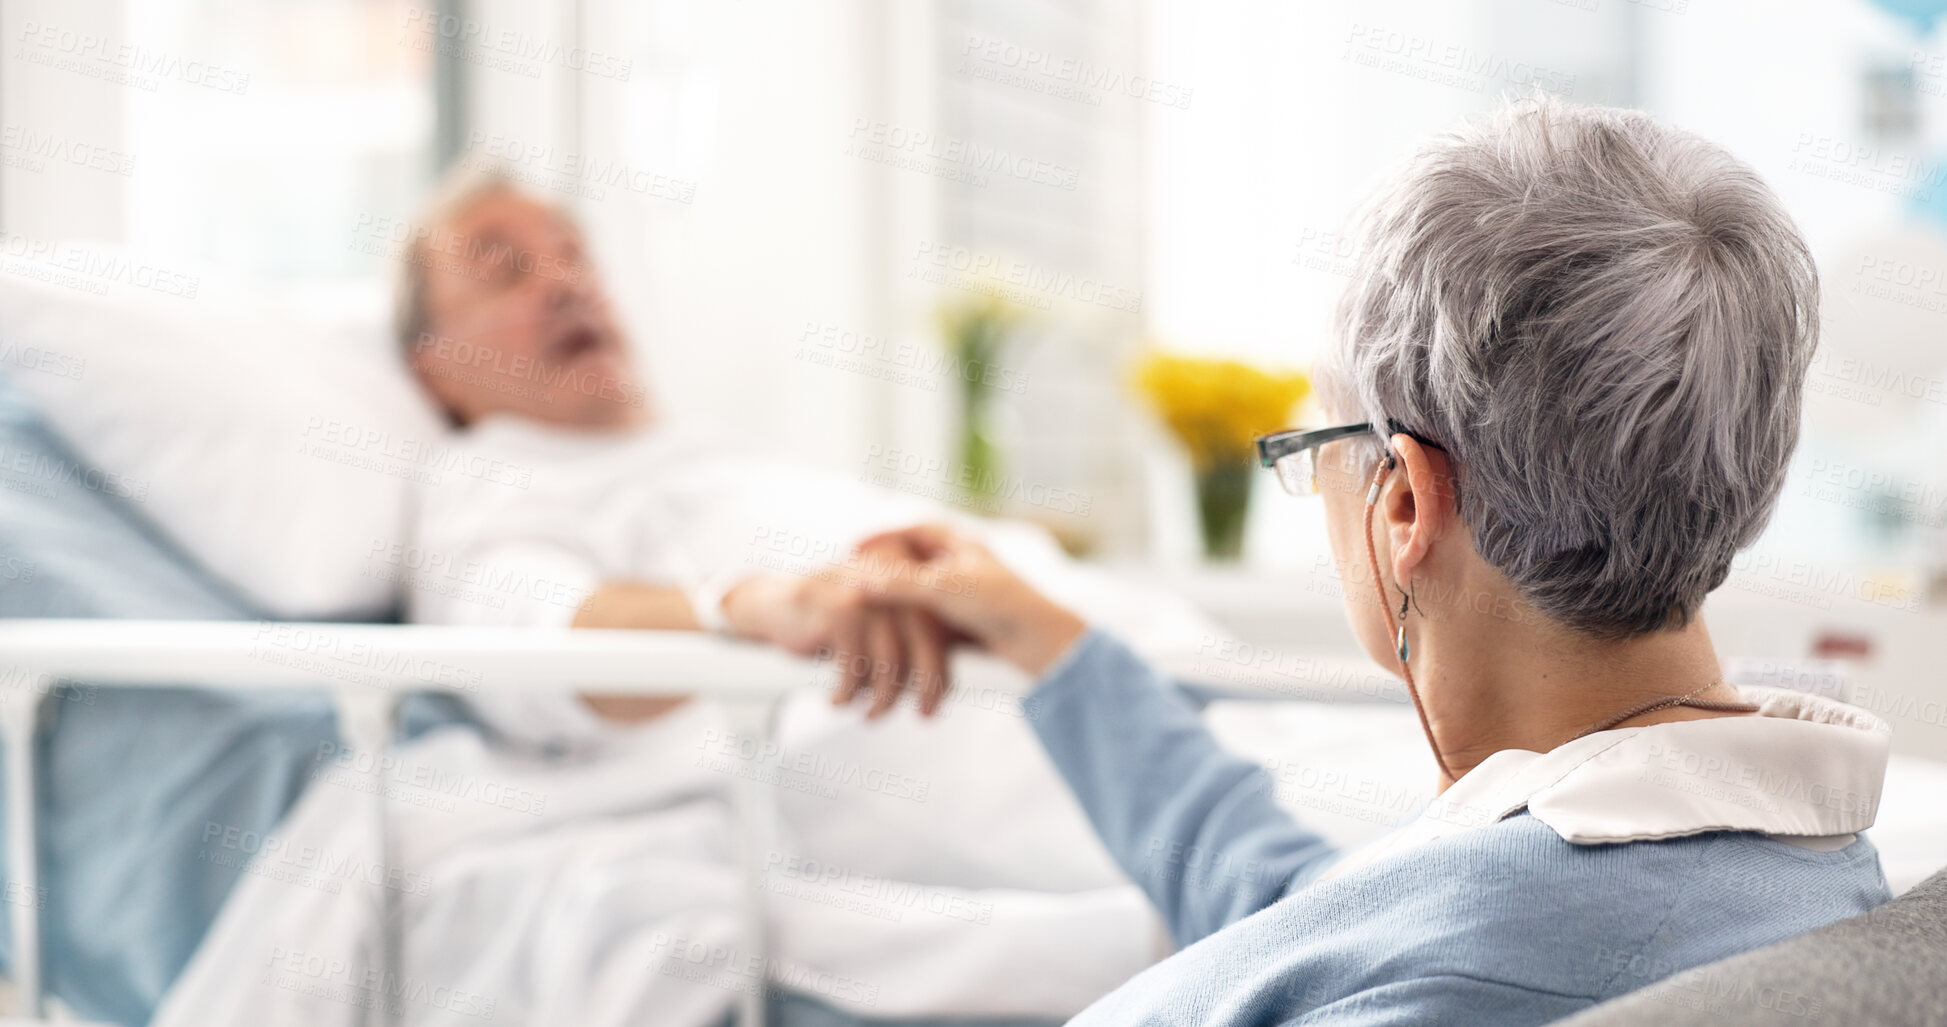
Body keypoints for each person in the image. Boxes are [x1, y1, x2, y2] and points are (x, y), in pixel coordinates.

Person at [848, 96, 1895, 1023]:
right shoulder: (1793, 869)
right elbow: (1312, 917)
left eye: (1320, 449)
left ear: (1402, 502)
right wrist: (1054, 644)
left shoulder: (1483, 964)